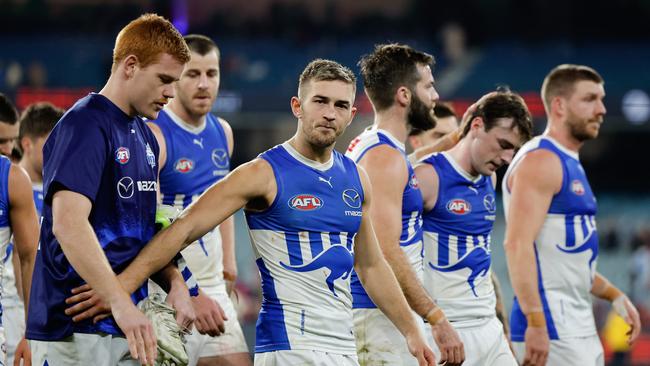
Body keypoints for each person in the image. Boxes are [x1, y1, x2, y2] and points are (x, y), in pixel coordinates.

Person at [77, 58, 436, 366]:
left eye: (340, 106)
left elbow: (371, 265)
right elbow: (183, 229)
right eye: (320, 101)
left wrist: (411, 329)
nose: (329, 113)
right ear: (298, 106)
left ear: (352, 114)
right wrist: (122, 287)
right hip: (287, 348)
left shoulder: (356, 179)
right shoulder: (262, 173)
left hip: (343, 348)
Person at [25, 13, 194, 366]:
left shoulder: (146, 137)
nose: (170, 93)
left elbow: (145, 232)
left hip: (125, 322)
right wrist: (119, 300)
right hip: (73, 329)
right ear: (130, 65)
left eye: (174, 82)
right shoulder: (84, 124)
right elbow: (68, 224)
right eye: (164, 79)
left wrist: (176, 282)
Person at [502, 64, 642, 366]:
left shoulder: (568, 162)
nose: (602, 109)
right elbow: (516, 245)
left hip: (575, 323)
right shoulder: (541, 161)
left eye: (602, 99)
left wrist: (615, 295)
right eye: (590, 99)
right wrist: (537, 324)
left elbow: (569, 262)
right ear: (559, 105)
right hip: (551, 326)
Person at [345, 43, 464, 366]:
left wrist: (445, 144)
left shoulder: (375, 146)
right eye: (428, 86)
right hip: (380, 319)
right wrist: (434, 318)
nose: (435, 96)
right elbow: (384, 249)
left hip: (380, 315)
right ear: (404, 95)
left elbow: (398, 176)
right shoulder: (384, 158)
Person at [146, 34, 250, 366]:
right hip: (167, 285)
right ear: (176, 77)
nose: (204, 84)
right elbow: (151, 225)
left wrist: (229, 266)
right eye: (193, 74)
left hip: (213, 284)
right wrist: (192, 291)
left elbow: (225, 204)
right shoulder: (156, 133)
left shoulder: (223, 132)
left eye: (212, 73)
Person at [416, 91, 533, 365]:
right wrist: (432, 321)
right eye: (503, 144)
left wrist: (500, 326)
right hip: (448, 330)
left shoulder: (488, 181)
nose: (507, 157)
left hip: (488, 326)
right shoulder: (427, 178)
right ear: (477, 126)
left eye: (513, 150)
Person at [0, 102, 63, 365]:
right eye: (1, 141)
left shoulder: (11, 180)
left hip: (15, 308)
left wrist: (32, 329)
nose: (8, 149)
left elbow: (27, 257)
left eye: (10, 141)